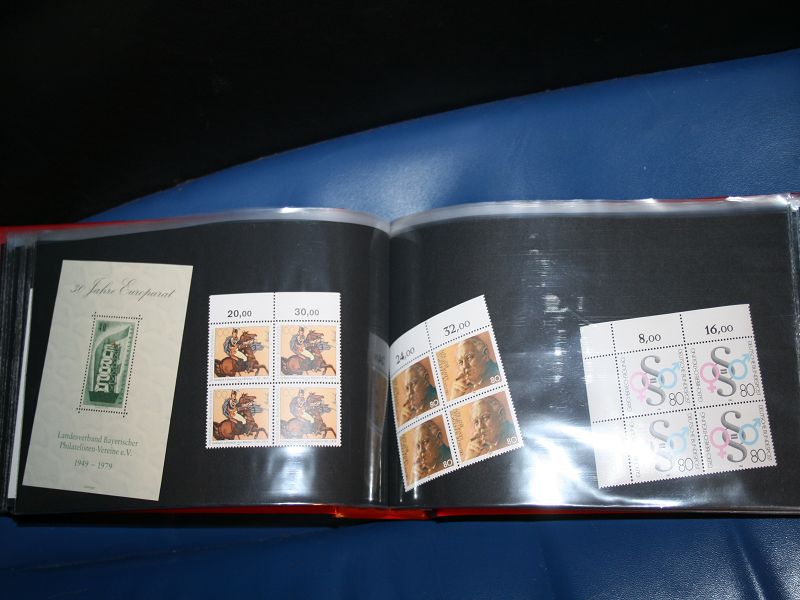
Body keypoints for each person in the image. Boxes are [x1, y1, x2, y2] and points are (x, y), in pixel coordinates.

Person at [464, 395, 516, 459]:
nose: (480, 426)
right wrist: (469, 459)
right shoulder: (481, 447)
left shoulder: (514, 435)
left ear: (501, 415)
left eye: (485, 418)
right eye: (476, 422)